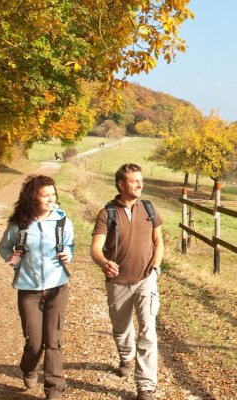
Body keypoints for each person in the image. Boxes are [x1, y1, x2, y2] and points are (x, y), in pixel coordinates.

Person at [0, 174, 74, 400]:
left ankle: (54, 390)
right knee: (34, 342)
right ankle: (28, 368)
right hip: (28, 290)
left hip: (57, 288)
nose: (51, 199)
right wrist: (13, 261)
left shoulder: (62, 221)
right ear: (33, 198)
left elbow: (70, 244)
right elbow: (4, 248)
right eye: (45, 195)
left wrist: (68, 253)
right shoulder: (21, 224)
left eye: (53, 194)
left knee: (53, 341)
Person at [91, 163, 164, 400]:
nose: (140, 184)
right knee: (121, 329)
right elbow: (95, 249)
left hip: (146, 279)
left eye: (141, 180)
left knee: (148, 331)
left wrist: (155, 267)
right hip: (118, 282)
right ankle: (125, 357)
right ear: (121, 184)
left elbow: (158, 241)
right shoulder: (107, 213)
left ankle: (146, 386)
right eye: (135, 181)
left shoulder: (149, 208)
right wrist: (103, 262)